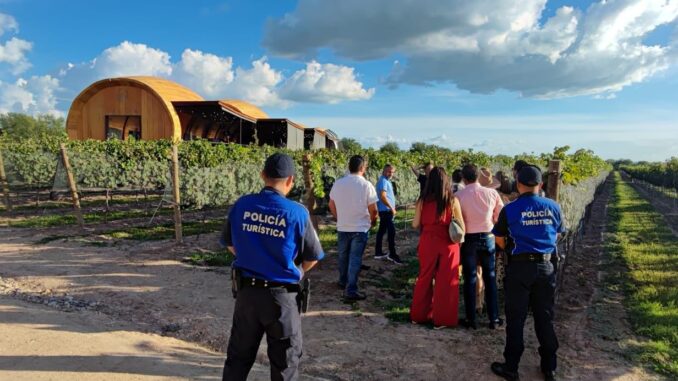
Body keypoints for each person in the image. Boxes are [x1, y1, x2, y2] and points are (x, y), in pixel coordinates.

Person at [220, 153, 324, 381]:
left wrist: (251, 257)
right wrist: (298, 271)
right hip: (282, 299)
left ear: (262, 175)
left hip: (247, 296)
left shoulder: (242, 205)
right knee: (285, 365)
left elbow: (229, 243)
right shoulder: (297, 213)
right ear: (291, 180)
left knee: (238, 358)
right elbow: (313, 256)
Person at [490, 165, 564, 381]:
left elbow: (500, 239)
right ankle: (549, 367)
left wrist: (514, 250)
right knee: (545, 317)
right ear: (540, 184)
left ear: (518, 185)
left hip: (520, 268)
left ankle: (511, 367)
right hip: (546, 267)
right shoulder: (553, 206)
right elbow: (557, 235)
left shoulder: (510, 209)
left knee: (516, 318)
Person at [410, 167, 464, 327]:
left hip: (428, 242)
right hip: (448, 244)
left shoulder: (422, 201)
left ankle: (419, 315)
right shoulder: (452, 201)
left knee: (424, 278)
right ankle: (444, 319)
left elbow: (415, 224)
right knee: (447, 281)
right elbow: (461, 226)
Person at [455, 164, 504, 329]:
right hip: (488, 237)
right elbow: (500, 217)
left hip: (468, 239)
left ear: (463, 177)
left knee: (470, 278)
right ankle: (494, 319)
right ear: (478, 176)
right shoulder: (491, 193)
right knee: (490, 278)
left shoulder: (458, 196)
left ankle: (471, 319)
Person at [329, 155, 379, 301]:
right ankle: (351, 289)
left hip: (343, 227)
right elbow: (373, 209)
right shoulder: (366, 185)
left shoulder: (338, 183)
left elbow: (331, 205)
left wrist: (339, 217)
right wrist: (373, 221)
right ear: (363, 168)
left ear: (349, 167)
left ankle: (342, 281)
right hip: (360, 228)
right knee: (355, 258)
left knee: (343, 256)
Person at [375, 164, 403, 264]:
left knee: (381, 231)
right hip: (386, 211)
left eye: (392, 172)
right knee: (391, 231)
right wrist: (392, 208)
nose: (390, 174)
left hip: (385, 211)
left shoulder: (386, 181)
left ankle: (378, 252)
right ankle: (392, 254)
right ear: (384, 171)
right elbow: (383, 196)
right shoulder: (383, 181)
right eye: (389, 171)